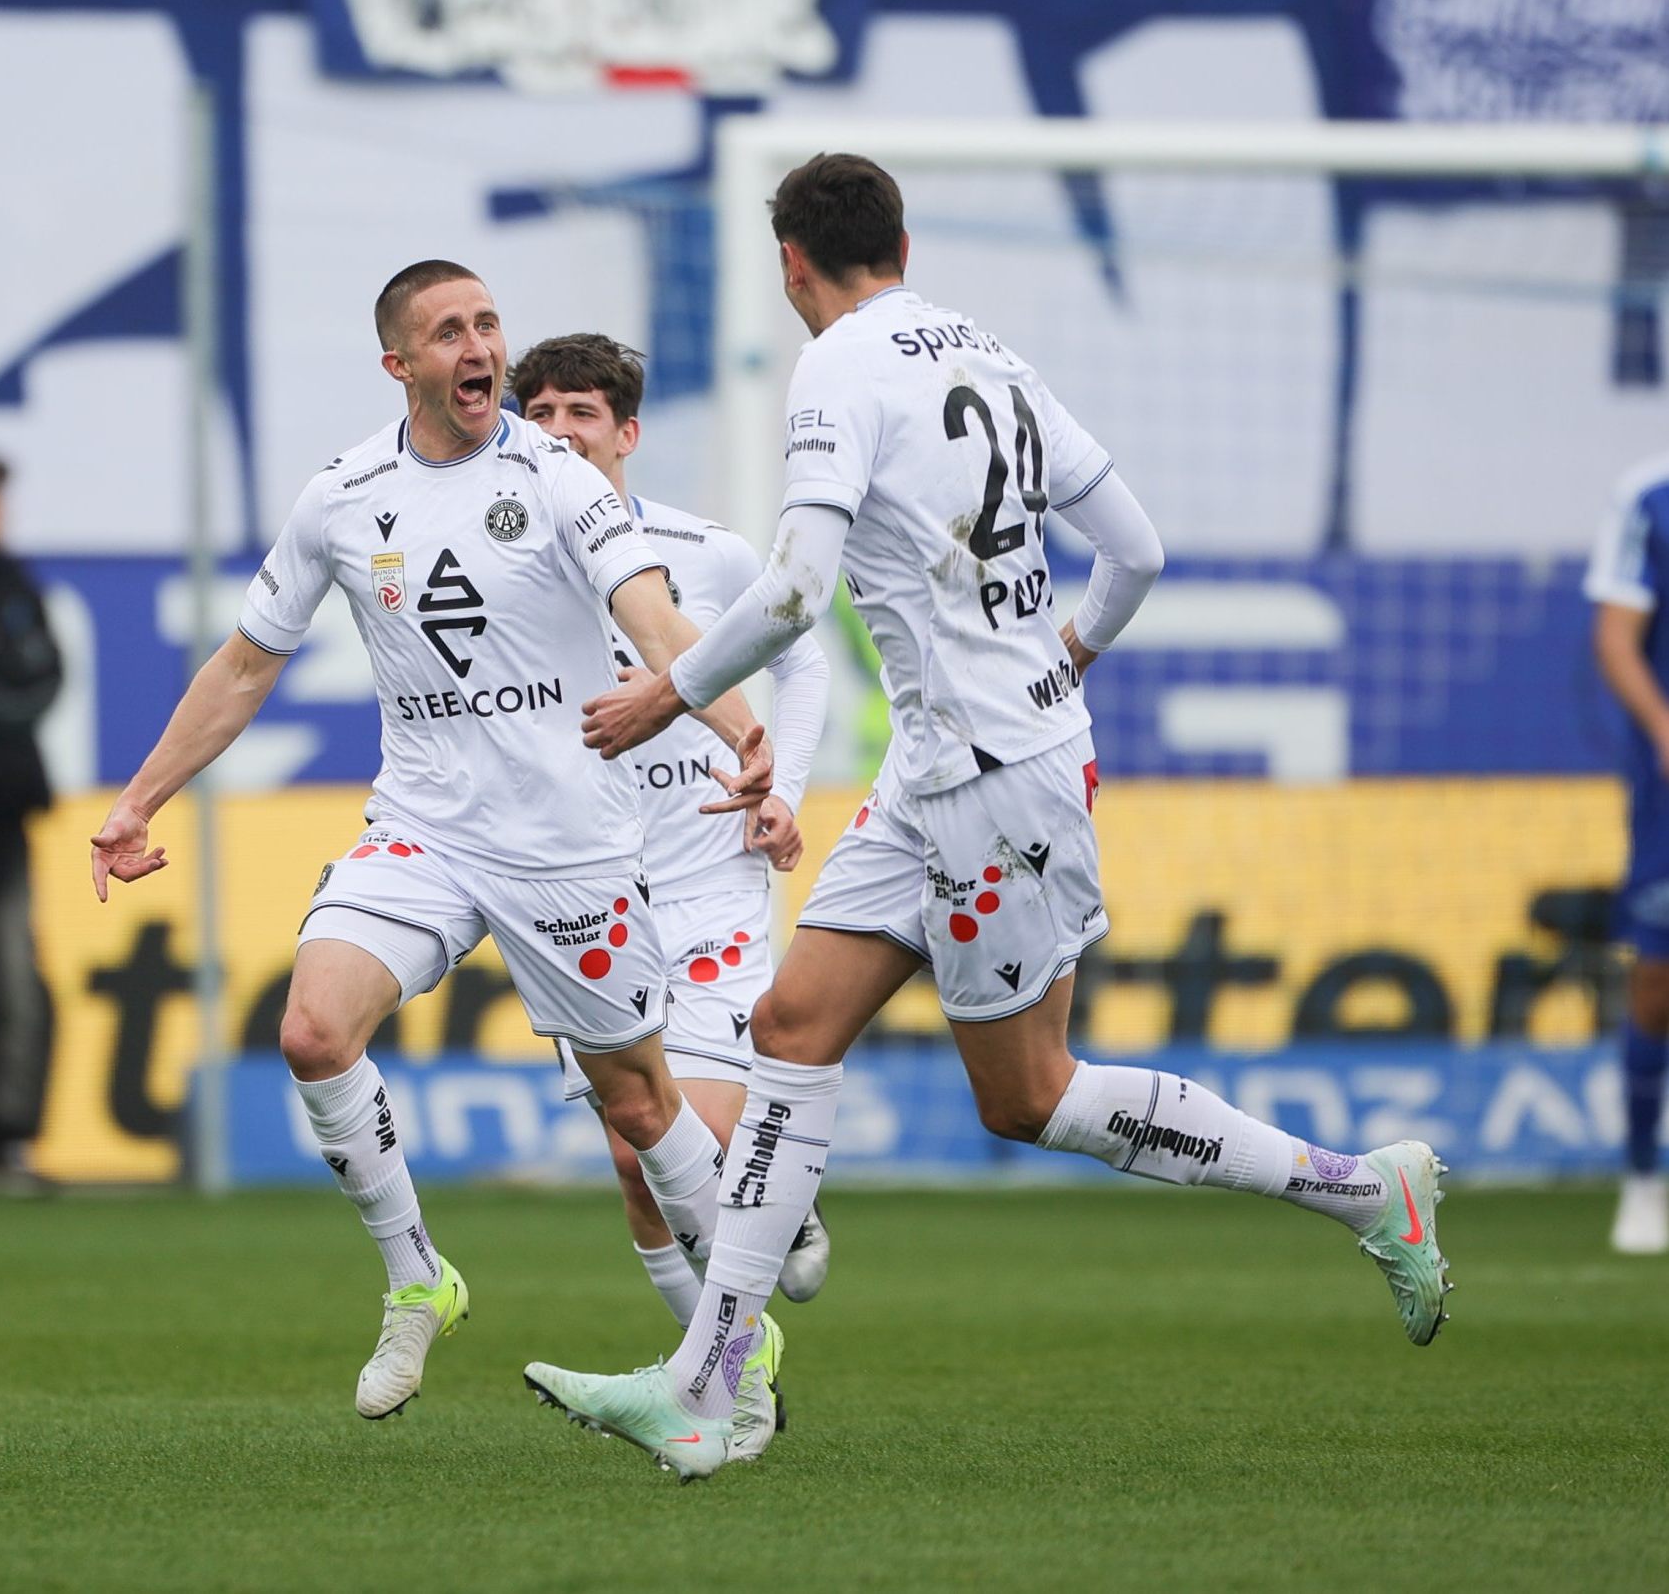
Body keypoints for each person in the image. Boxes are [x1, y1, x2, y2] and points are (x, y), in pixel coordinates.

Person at [524, 154, 1454, 1479]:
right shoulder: (990, 352)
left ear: (790, 264)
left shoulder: (837, 366)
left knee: (1026, 1094)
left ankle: (1364, 1188)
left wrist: (666, 689)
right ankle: (708, 1381)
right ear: (899, 238)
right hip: (946, 761)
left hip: (989, 779)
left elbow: (792, 594)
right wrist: (1058, 653)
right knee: (791, 1027)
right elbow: (1133, 548)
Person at [90, 260, 781, 1426]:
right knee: (312, 1029)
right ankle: (420, 1278)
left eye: (489, 324)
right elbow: (248, 663)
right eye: (450, 331)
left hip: (565, 844)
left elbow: (655, 615)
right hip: (422, 827)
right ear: (399, 364)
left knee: (640, 1109)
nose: (481, 347)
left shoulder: (557, 477)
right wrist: (138, 800)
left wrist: (742, 728)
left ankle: (736, 1340)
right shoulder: (344, 495)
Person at [510, 334, 833, 1356]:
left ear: (626, 433)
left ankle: (775, 1200)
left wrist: (781, 781)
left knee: (704, 1130)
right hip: (587, 890)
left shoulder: (707, 553)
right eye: (543, 414)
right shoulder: (500, 564)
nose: (560, 432)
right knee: (631, 1154)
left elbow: (807, 663)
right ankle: (729, 1371)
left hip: (710, 879)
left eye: (581, 413)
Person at [0, 451, 62, 1191]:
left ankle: (0, 1145)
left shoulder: (10, 583)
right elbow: (15, 679)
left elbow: (45, 677)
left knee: (13, 984)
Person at [1586, 455, 1669, 1254]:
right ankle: (1643, 1178)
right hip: (1665, 791)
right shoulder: (1650, 494)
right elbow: (1616, 636)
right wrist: (1662, 725)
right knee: (1655, 980)